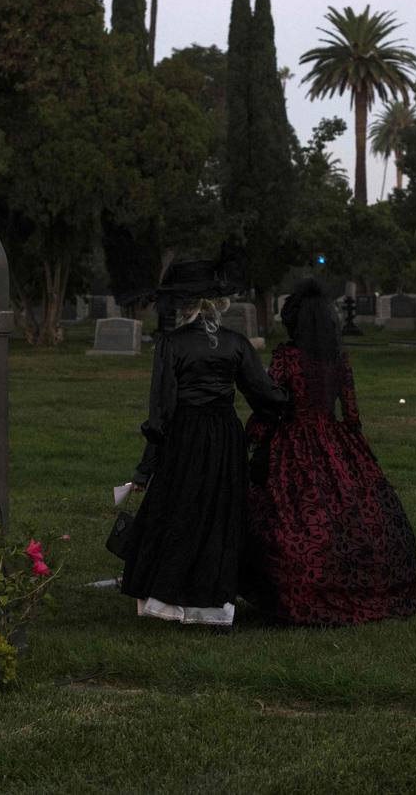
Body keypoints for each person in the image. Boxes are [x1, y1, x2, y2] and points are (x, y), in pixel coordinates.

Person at [120, 260, 289, 627]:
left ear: (183, 305)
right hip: (225, 436)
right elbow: (264, 394)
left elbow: (161, 409)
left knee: (180, 507)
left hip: (185, 435)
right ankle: (212, 602)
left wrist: (147, 466)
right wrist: (292, 398)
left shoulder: (171, 344)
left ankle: (170, 599)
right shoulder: (236, 343)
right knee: (220, 510)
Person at [243, 279, 416, 626]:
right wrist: (360, 456)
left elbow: (272, 405)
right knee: (353, 513)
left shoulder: (287, 358)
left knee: (288, 515)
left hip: (294, 441)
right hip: (336, 440)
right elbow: (352, 416)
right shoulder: (339, 359)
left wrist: (253, 439)